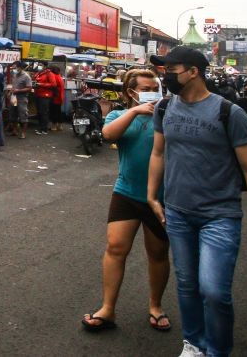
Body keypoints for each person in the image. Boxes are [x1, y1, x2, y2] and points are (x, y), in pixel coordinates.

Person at [146, 46, 247, 357]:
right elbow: (158, 152)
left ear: (193, 71)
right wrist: (152, 195)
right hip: (178, 213)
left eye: (171, 69)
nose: (165, 76)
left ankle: (217, 350)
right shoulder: (164, 108)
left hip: (220, 215)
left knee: (215, 291)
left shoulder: (228, 113)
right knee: (187, 285)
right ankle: (193, 343)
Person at [82, 69, 171, 334]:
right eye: (146, 88)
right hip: (127, 192)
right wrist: (135, 111)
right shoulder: (119, 115)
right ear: (130, 92)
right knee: (115, 248)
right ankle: (108, 309)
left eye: (155, 87)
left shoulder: (168, 116)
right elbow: (108, 135)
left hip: (163, 197)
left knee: (157, 254)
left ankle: (155, 306)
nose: (152, 92)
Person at [11, 61, 33, 139]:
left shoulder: (26, 76)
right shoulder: (15, 75)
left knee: (23, 115)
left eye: (15, 67)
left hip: (22, 98)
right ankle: (14, 130)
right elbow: (13, 85)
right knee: (13, 115)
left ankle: (23, 133)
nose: (14, 69)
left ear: (20, 67)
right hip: (14, 98)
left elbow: (29, 88)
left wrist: (18, 90)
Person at [34, 64, 56, 135]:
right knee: (39, 112)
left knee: (44, 112)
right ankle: (40, 127)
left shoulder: (49, 74)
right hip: (38, 94)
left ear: (45, 66)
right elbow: (35, 79)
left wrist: (41, 84)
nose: (39, 66)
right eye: (38, 65)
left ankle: (44, 129)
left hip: (45, 95)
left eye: (41, 65)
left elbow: (53, 84)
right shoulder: (39, 73)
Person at [49, 65, 65, 131]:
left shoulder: (53, 75)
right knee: (58, 111)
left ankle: (54, 126)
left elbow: (53, 85)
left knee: (54, 111)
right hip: (60, 96)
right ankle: (60, 125)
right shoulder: (59, 76)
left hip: (55, 96)